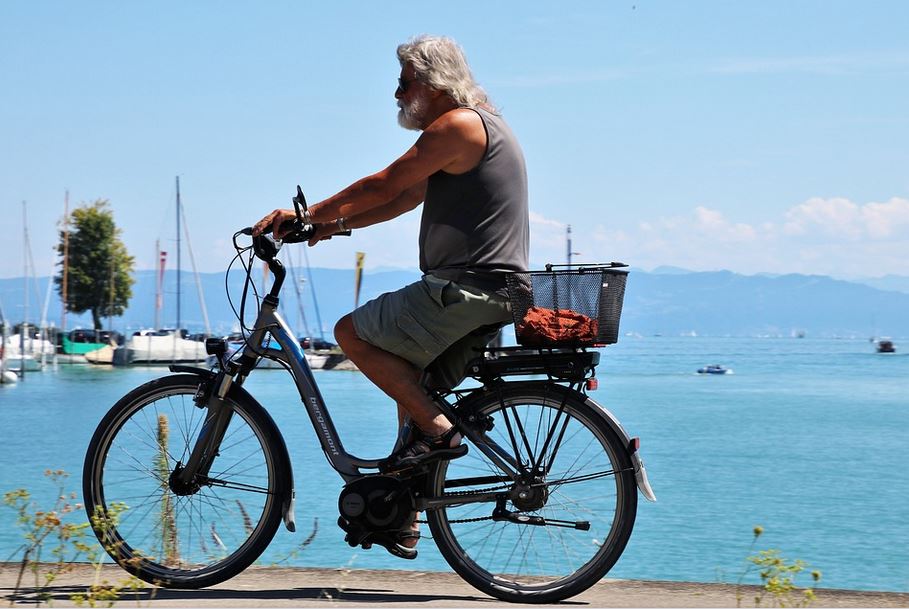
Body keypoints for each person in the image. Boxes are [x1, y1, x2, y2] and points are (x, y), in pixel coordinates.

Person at [253, 34, 529, 556]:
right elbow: (402, 198)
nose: (397, 92)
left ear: (430, 83)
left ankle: (442, 431)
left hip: (468, 287)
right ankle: (404, 518)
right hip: (494, 290)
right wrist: (328, 229)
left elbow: (383, 182)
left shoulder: (459, 125)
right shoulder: (475, 131)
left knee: (349, 333)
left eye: (404, 82)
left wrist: (306, 215)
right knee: (410, 385)